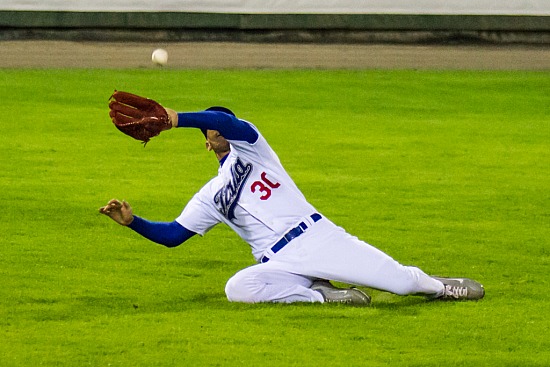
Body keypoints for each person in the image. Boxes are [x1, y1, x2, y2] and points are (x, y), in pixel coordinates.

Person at [100, 105, 485, 305]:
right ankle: (321, 294)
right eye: (210, 128)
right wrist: (133, 222)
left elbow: (229, 123)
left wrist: (175, 118)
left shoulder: (254, 147)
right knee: (239, 287)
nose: (218, 128)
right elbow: (173, 235)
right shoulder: (211, 195)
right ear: (205, 142)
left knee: (401, 284)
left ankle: (439, 287)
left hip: (316, 238)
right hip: (279, 263)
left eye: (221, 122)